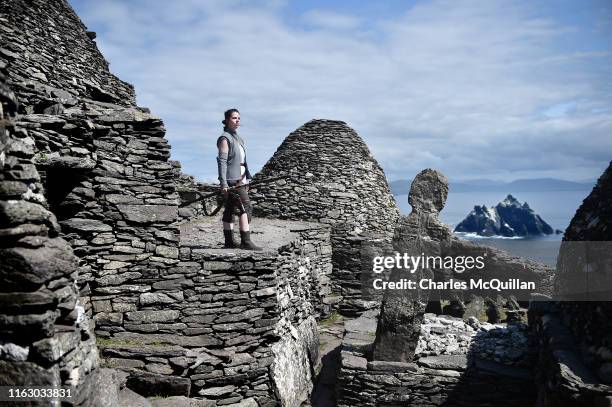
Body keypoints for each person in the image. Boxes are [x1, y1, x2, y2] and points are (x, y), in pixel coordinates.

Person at [216, 108, 261, 250]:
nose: (237, 121)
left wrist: (247, 179)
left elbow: (243, 162)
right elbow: (222, 162)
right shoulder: (225, 138)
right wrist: (223, 182)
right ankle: (246, 241)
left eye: (239, 118)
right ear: (227, 120)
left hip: (241, 179)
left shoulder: (239, 139)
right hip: (231, 180)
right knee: (245, 207)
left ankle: (229, 242)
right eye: (234, 118)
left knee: (229, 209)